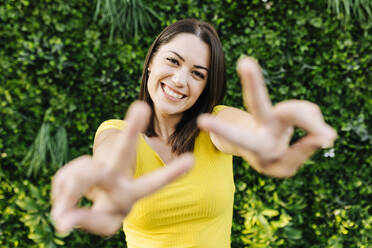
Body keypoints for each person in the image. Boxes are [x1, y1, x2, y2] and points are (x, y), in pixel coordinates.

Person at [51, 19, 336, 247]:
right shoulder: (118, 134)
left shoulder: (215, 124)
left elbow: (244, 129)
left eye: (198, 73)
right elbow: (111, 161)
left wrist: (266, 139)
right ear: (151, 61)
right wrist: (104, 183)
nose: (180, 80)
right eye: (173, 61)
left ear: (205, 87)